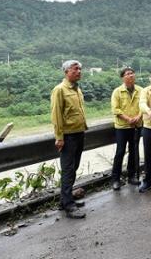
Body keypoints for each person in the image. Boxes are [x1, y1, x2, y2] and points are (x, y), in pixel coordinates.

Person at [51, 60, 87, 219]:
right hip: (68, 136)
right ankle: (69, 206)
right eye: (75, 69)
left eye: (80, 69)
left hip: (79, 133)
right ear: (66, 72)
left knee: (74, 168)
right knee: (68, 170)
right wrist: (59, 137)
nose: (79, 71)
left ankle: (65, 200)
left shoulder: (77, 89)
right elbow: (56, 115)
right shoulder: (59, 90)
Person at [110, 67, 142, 190]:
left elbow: (144, 106)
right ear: (123, 77)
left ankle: (132, 176)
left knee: (134, 151)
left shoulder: (141, 90)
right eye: (127, 74)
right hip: (122, 127)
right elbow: (115, 109)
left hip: (136, 125)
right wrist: (128, 119)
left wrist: (138, 117)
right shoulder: (117, 92)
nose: (130, 75)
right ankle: (115, 179)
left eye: (132, 73)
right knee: (120, 152)